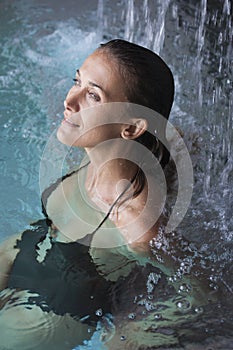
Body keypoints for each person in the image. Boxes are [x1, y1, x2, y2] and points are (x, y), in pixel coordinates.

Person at [0, 39, 219, 350]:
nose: (70, 100)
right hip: (29, 248)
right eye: (77, 81)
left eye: (93, 95)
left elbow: (208, 291)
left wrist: (138, 328)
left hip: (57, 309)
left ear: (131, 128)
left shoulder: (135, 224)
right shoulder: (90, 154)